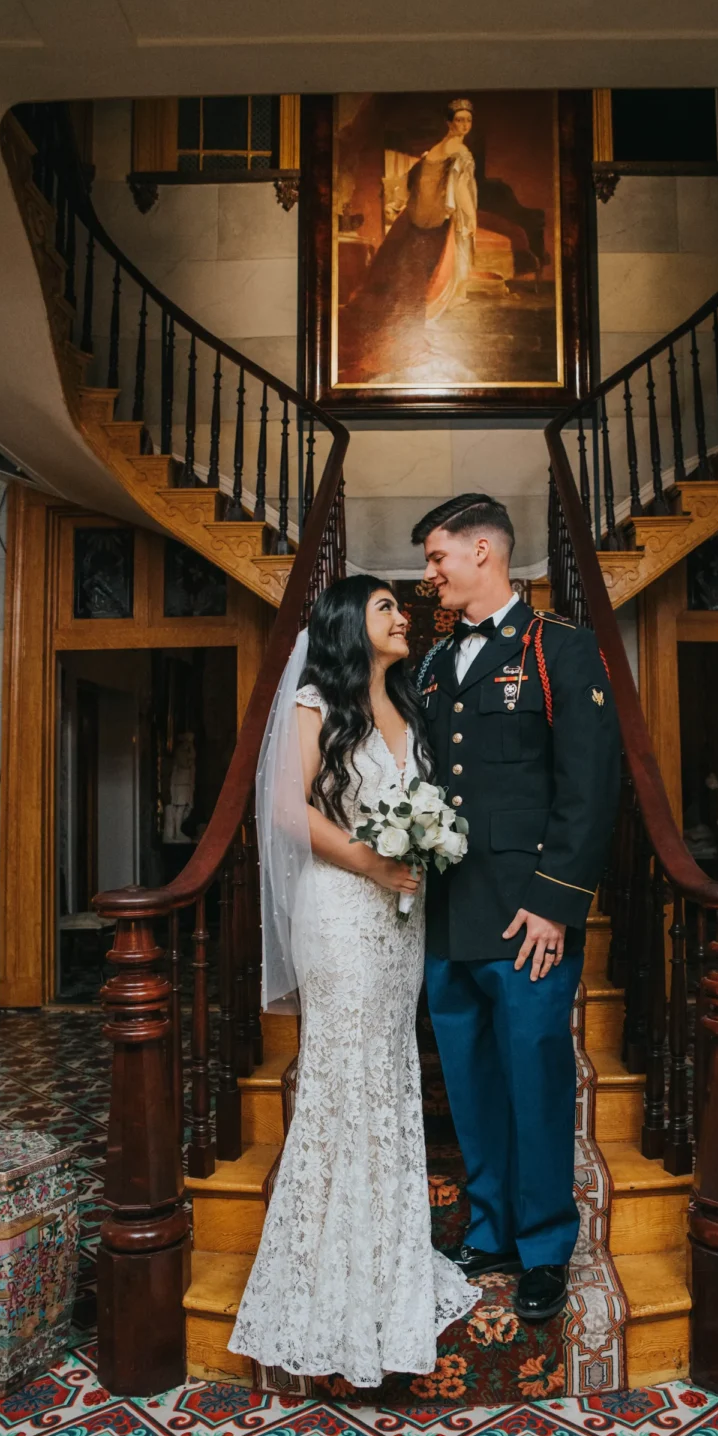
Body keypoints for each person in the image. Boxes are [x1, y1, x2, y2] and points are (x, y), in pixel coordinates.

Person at [229, 575, 478, 1388]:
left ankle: (384, 1264)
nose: (401, 616)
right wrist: (371, 860)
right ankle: (323, 1288)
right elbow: (284, 811)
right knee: (344, 1079)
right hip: (341, 910)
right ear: (349, 624)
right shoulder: (315, 701)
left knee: (389, 1077)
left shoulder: (413, 704)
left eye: (399, 608)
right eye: (384, 608)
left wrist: (422, 848)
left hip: (402, 922)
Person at [412, 494, 620, 1324]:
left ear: (484, 551)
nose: (430, 575)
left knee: (535, 1078)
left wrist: (555, 903)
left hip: (527, 916)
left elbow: (590, 784)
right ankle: (493, 1226)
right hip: (447, 911)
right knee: (468, 1081)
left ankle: (543, 1246)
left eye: (437, 558)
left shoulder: (558, 648)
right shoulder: (431, 664)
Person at [339, 98, 478, 382]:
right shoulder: (459, 151)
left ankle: (397, 343)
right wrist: (471, 218)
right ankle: (401, 349)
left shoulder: (434, 151)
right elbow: (461, 190)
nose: (464, 125)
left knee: (401, 286)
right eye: (459, 120)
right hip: (427, 228)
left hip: (410, 226)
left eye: (468, 120)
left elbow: (413, 187)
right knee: (409, 288)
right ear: (449, 123)